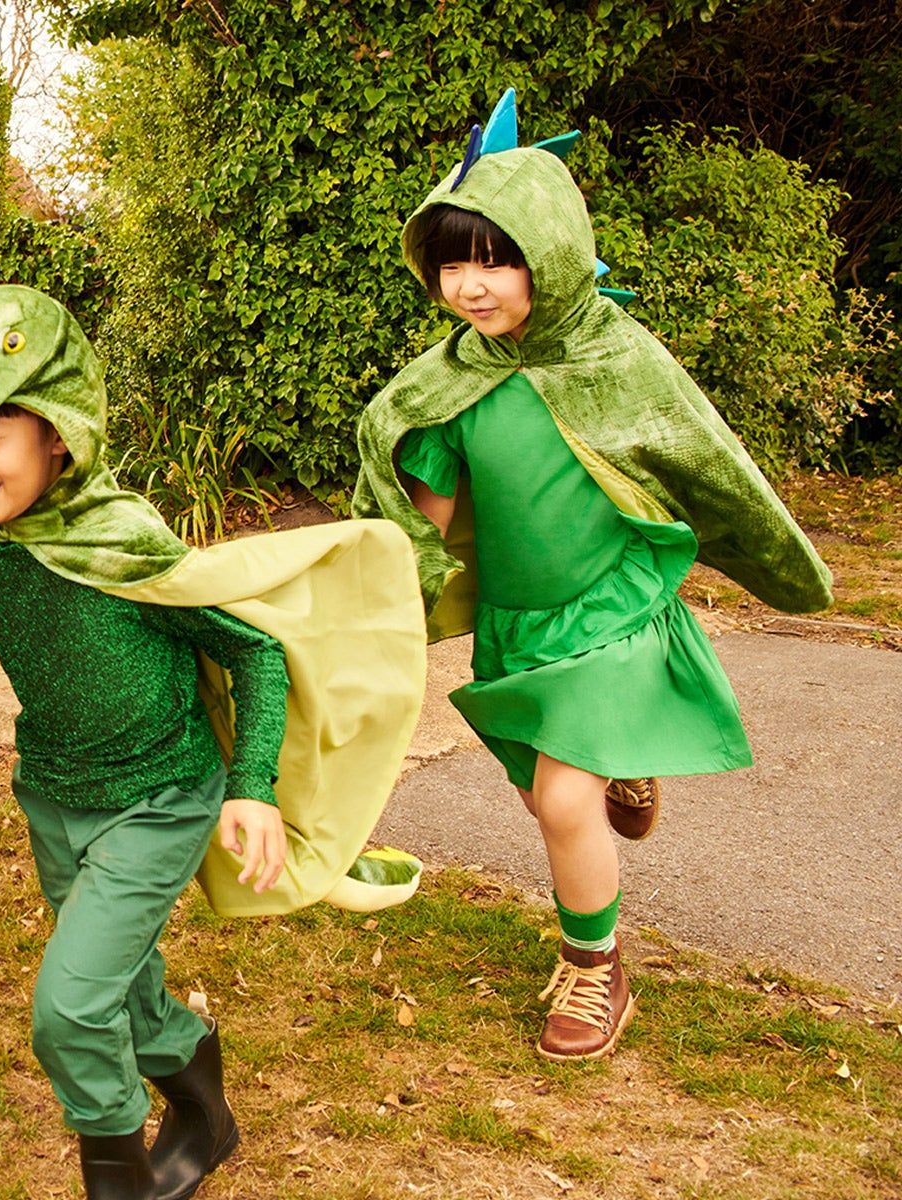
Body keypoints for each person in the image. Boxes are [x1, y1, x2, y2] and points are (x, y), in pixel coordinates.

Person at [0, 284, 427, 1199]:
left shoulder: (125, 545)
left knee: (68, 1007)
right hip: (54, 800)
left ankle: (117, 1178)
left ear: (56, 431)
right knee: (122, 982)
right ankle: (204, 1106)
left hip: (163, 796)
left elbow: (254, 653)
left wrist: (251, 785)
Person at [354, 91, 832, 1062]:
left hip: (614, 608)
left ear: (554, 253)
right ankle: (619, 757)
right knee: (547, 800)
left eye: (496, 258)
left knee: (569, 806)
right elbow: (424, 522)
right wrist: (382, 575)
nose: (470, 285)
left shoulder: (620, 362)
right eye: (452, 261)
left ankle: (595, 969)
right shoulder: (444, 387)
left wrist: (763, 557)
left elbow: (703, 458)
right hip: (518, 624)